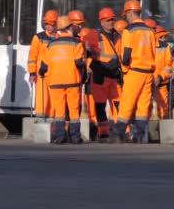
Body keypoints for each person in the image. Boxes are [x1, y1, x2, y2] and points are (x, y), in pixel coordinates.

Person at [110, 0, 156, 144]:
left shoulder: (128, 30)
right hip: (148, 72)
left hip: (134, 71)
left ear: (130, 13)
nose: (126, 18)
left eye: (126, 15)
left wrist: (124, 69)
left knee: (127, 103)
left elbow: (126, 56)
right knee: (143, 105)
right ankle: (139, 135)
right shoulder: (149, 31)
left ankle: (119, 133)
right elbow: (154, 52)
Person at [39, 16, 86, 144]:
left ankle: (60, 137)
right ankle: (75, 137)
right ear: (69, 27)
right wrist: (85, 65)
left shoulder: (51, 44)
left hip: (55, 82)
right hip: (72, 81)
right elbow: (78, 63)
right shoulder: (76, 43)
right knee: (74, 111)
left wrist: (41, 72)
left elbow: (44, 65)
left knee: (59, 111)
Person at [89, 8, 122, 142]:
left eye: (112, 20)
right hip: (100, 75)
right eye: (107, 20)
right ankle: (103, 133)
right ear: (101, 21)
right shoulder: (94, 35)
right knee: (100, 105)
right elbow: (84, 50)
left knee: (119, 104)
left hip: (115, 76)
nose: (110, 22)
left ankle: (120, 131)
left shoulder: (119, 36)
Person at [27, 10, 58, 119]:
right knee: (42, 99)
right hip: (41, 74)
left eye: (51, 24)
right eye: (47, 24)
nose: (49, 26)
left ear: (56, 24)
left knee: (54, 99)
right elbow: (32, 57)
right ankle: (40, 120)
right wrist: (32, 73)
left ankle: (53, 122)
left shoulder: (59, 38)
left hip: (55, 74)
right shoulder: (38, 37)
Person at [153, 25, 171, 119]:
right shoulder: (147, 45)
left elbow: (168, 66)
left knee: (163, 108)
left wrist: (160, 77)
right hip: (149, 82)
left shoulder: (166, 47)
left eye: (165, 37)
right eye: (162, 37)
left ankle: (161, 128)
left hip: (161, 83)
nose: (164, 39)